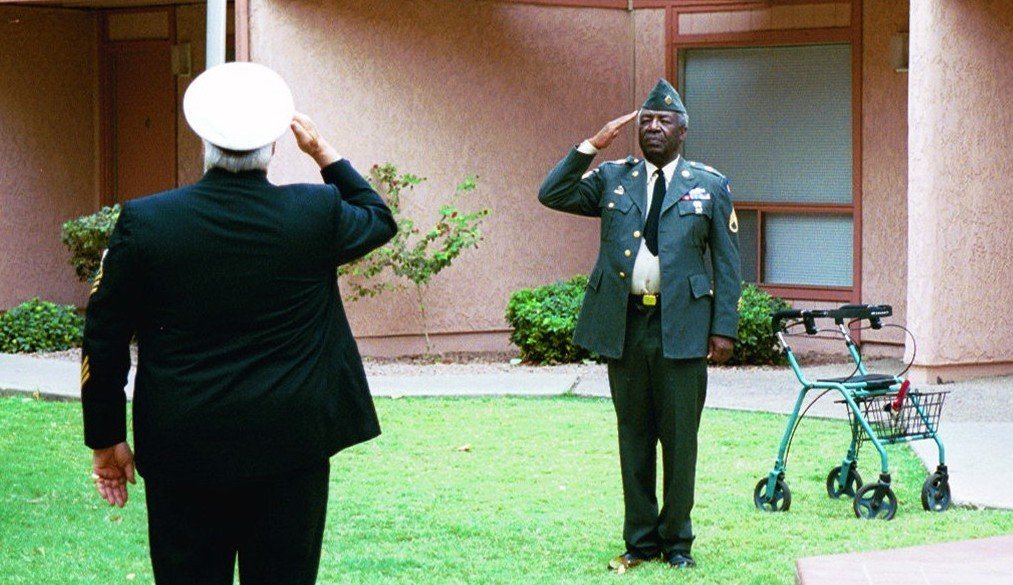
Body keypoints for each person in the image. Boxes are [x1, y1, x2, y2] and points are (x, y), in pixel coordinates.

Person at [81, 62, 396, 584]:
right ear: (273, 145)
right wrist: (322, 152)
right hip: (292, 447)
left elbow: (104, 334)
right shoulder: (315, 212)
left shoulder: (147, 220)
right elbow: (377, 216)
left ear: (202, 140)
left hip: (182, 449)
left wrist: (105, 437)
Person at [538, 79, 741, 571]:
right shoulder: (613, 177)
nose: (653, 127)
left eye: (664, 120)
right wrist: (592, 145)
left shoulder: (707, 184)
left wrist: (724, 329)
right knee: (633, 437)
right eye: (646, 120)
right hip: (626, 325)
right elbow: (552, 193)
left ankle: (677, 543)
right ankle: (640, 540)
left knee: (679, 440)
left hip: (685, 327)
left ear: (683, 130)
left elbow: (728, 263)